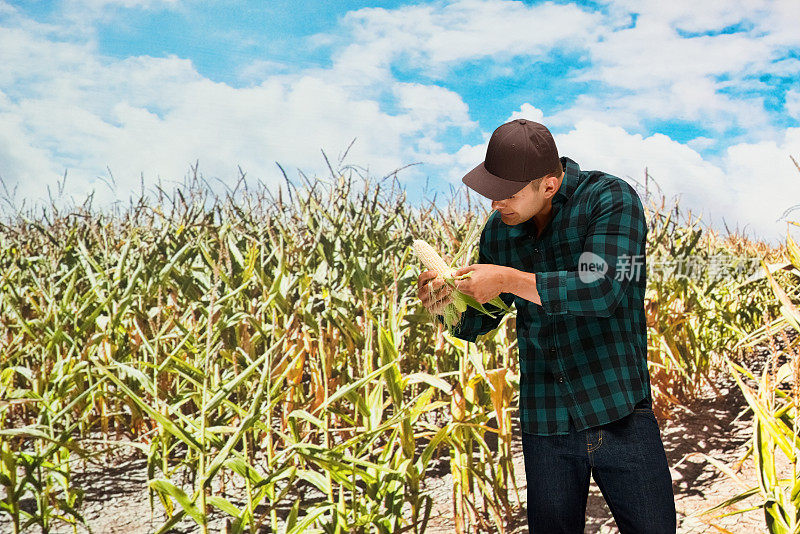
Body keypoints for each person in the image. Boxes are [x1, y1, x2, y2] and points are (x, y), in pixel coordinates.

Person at [416, 118, 676, 533]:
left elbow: (603, 289)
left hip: (618, 409)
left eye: (508, 194)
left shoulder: (609, 199)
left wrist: (506, 279)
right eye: (491, 193)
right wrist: (447, 306)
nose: (496, 204)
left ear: (549, 185)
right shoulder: (500, 232)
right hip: (546, 420)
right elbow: (477, 326)